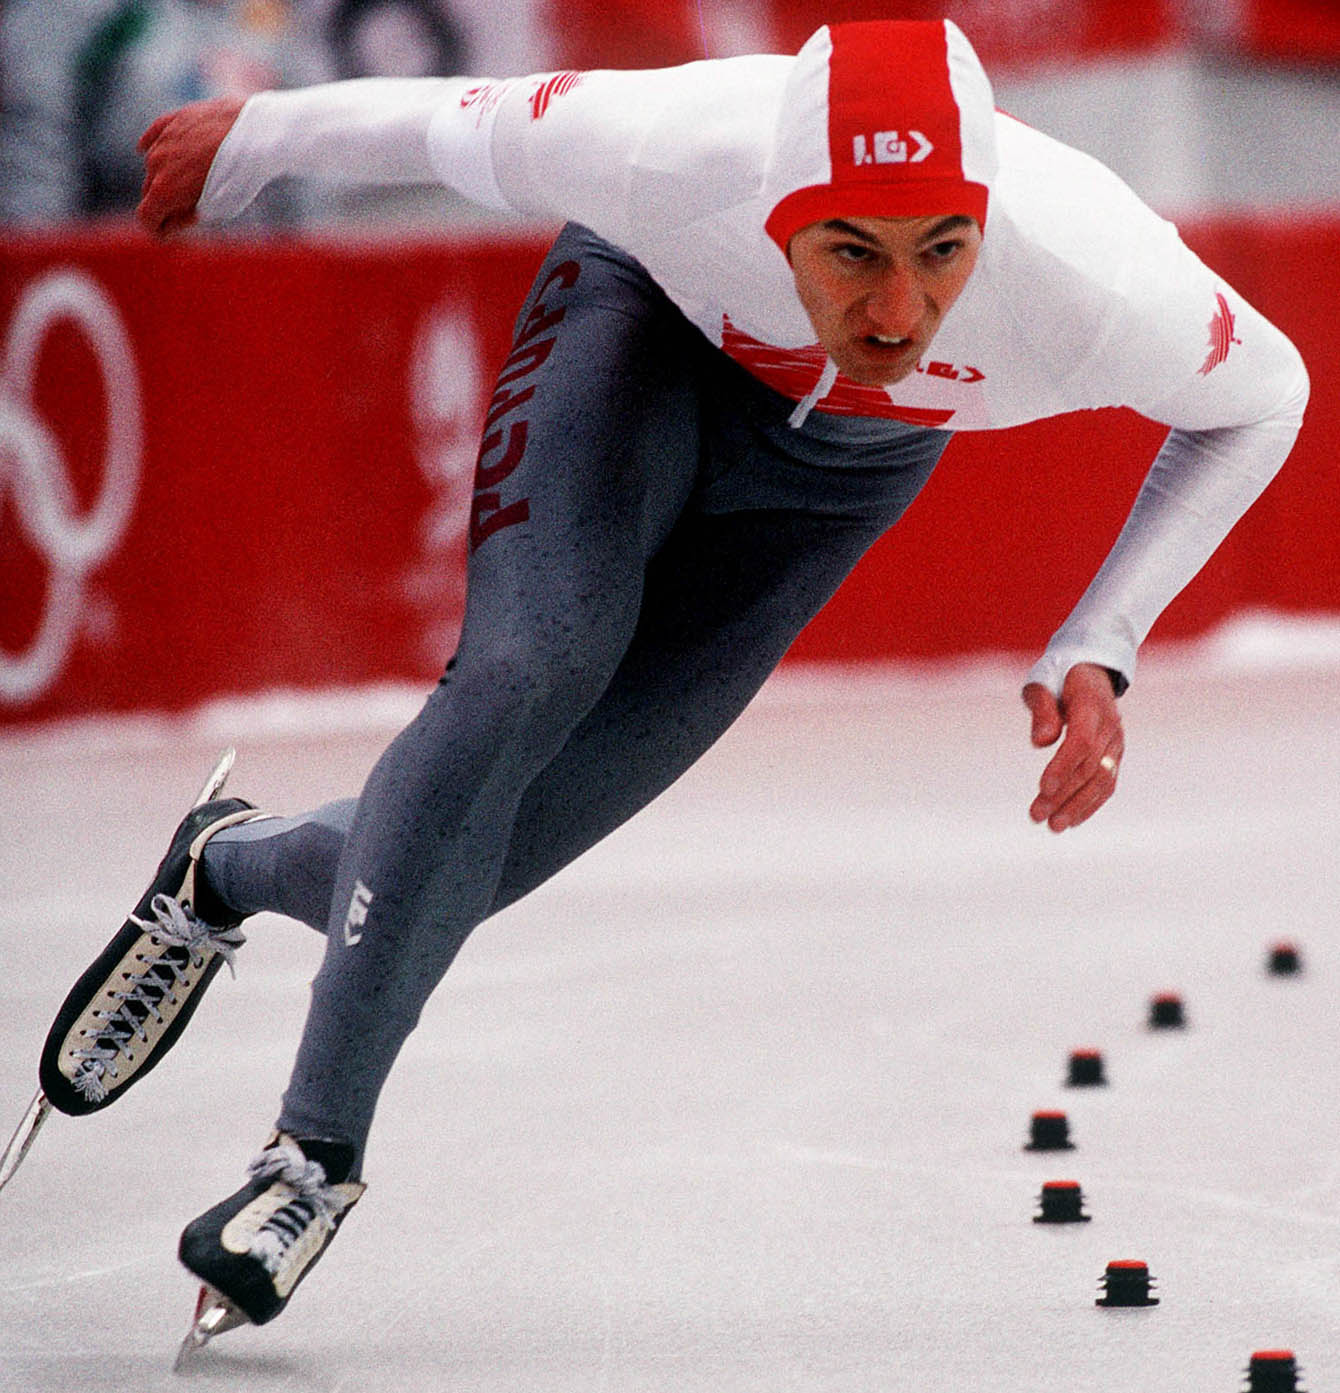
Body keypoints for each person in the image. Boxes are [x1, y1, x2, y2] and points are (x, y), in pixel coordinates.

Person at [38, 17, 1308, 1349]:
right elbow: (450, 116)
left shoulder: (1089, 273)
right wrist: (250, 140)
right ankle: (311, 1159)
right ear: (778, 214)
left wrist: (1100, 637)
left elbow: (1263, 395)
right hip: (637, 336)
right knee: (532, 670)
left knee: (488, 855)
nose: (895, 311)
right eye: (852, 253)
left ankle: (222, 870)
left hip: (831, 488)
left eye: (943, 252)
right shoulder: (676, 149)